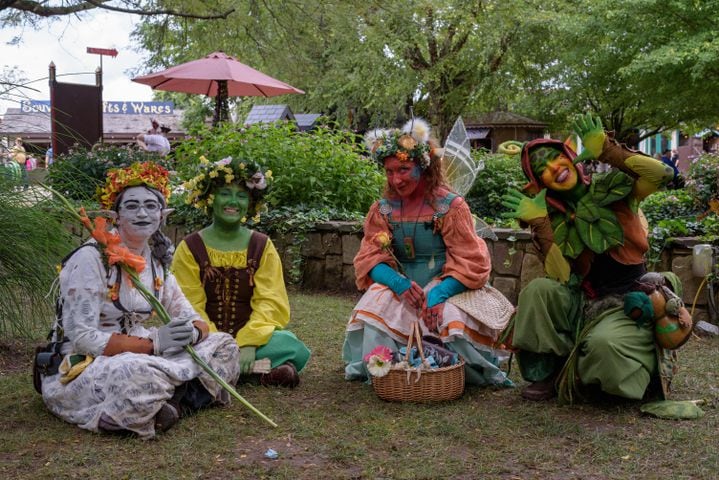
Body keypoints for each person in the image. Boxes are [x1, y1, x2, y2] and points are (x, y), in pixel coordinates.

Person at [36, 162, 241, 438]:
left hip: (144, 350)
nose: (142, 213)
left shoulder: (156, 262)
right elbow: (82, 336)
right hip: (92, 359)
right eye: (131, 206)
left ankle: (171, 403)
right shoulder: (90, 259)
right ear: (115, 217)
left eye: (151, 206)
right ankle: (173, 397)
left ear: (162, 215)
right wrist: (154, 344)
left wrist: (191, 332)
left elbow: (188, 314)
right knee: (137, 371)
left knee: (224, 344)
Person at [500, 113, 684, 402]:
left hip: (633, 297)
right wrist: (539, 222)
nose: (553, 167)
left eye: (554, 157)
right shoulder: (556, 219)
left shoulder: (615, 190)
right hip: (586, 300)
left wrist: (607, 150)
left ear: (570, 156)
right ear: (540, 182)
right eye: (542, 169)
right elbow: (560, 274)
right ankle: (550, 373)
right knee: (538, 290)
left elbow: (662, 175)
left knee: (603, 345)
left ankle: (644, 369)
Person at [343, 119, 513, 387]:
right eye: (389, 171)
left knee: (447, 318)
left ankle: (449, 370)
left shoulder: (450, 206)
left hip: (448, 283)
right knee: (374, 305)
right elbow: (370, 258)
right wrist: (398, 283)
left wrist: (438, 294)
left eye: (403, 169)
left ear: (423, 166)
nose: (396, 179)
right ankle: (386, 368)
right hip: (404, 285)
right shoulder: (383, 209)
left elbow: (473, 262)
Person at [172, 156, 310, 388]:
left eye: (242, 196)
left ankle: (220, 370)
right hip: (204, 338)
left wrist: (249, 342)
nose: (233, 202)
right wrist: (218, 343)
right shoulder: (189, 247)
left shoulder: (261, 245)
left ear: (251, 203)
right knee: (178, 345)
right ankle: (259, 371)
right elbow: (188, 305)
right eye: (225, 193)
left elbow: (270, 300)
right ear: (210, 199)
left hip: (253, 341)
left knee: (291, 346)